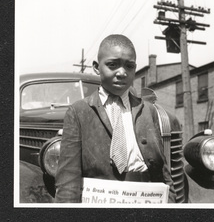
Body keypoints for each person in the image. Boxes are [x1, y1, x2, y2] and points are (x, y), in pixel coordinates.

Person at [55, 34, 177, 203]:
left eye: (129, 66)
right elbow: (68, 181)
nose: (122, 72)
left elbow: (163, 173)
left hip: (146, 201)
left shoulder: (149, 111)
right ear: (97, 67)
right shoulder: (78, 112)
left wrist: (170, 203)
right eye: (112, 65)